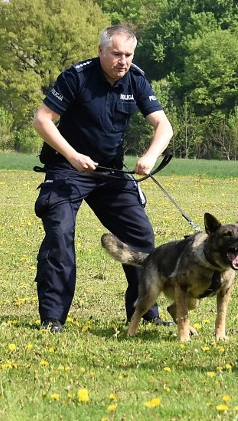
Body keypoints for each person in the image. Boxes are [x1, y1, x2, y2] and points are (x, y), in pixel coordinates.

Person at [32, 25, 174, 333]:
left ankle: (144, 312)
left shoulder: (135, 78)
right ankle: (53, 318)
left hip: (109, 172)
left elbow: (164, 126)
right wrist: (72, 156)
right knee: (60, 234)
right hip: (67, 167)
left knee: (140, 235)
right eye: (116, 54)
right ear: (100, 51)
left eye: (128, 54)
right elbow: (42, 119)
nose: (123, 61)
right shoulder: (77, 77)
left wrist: (149, 156)